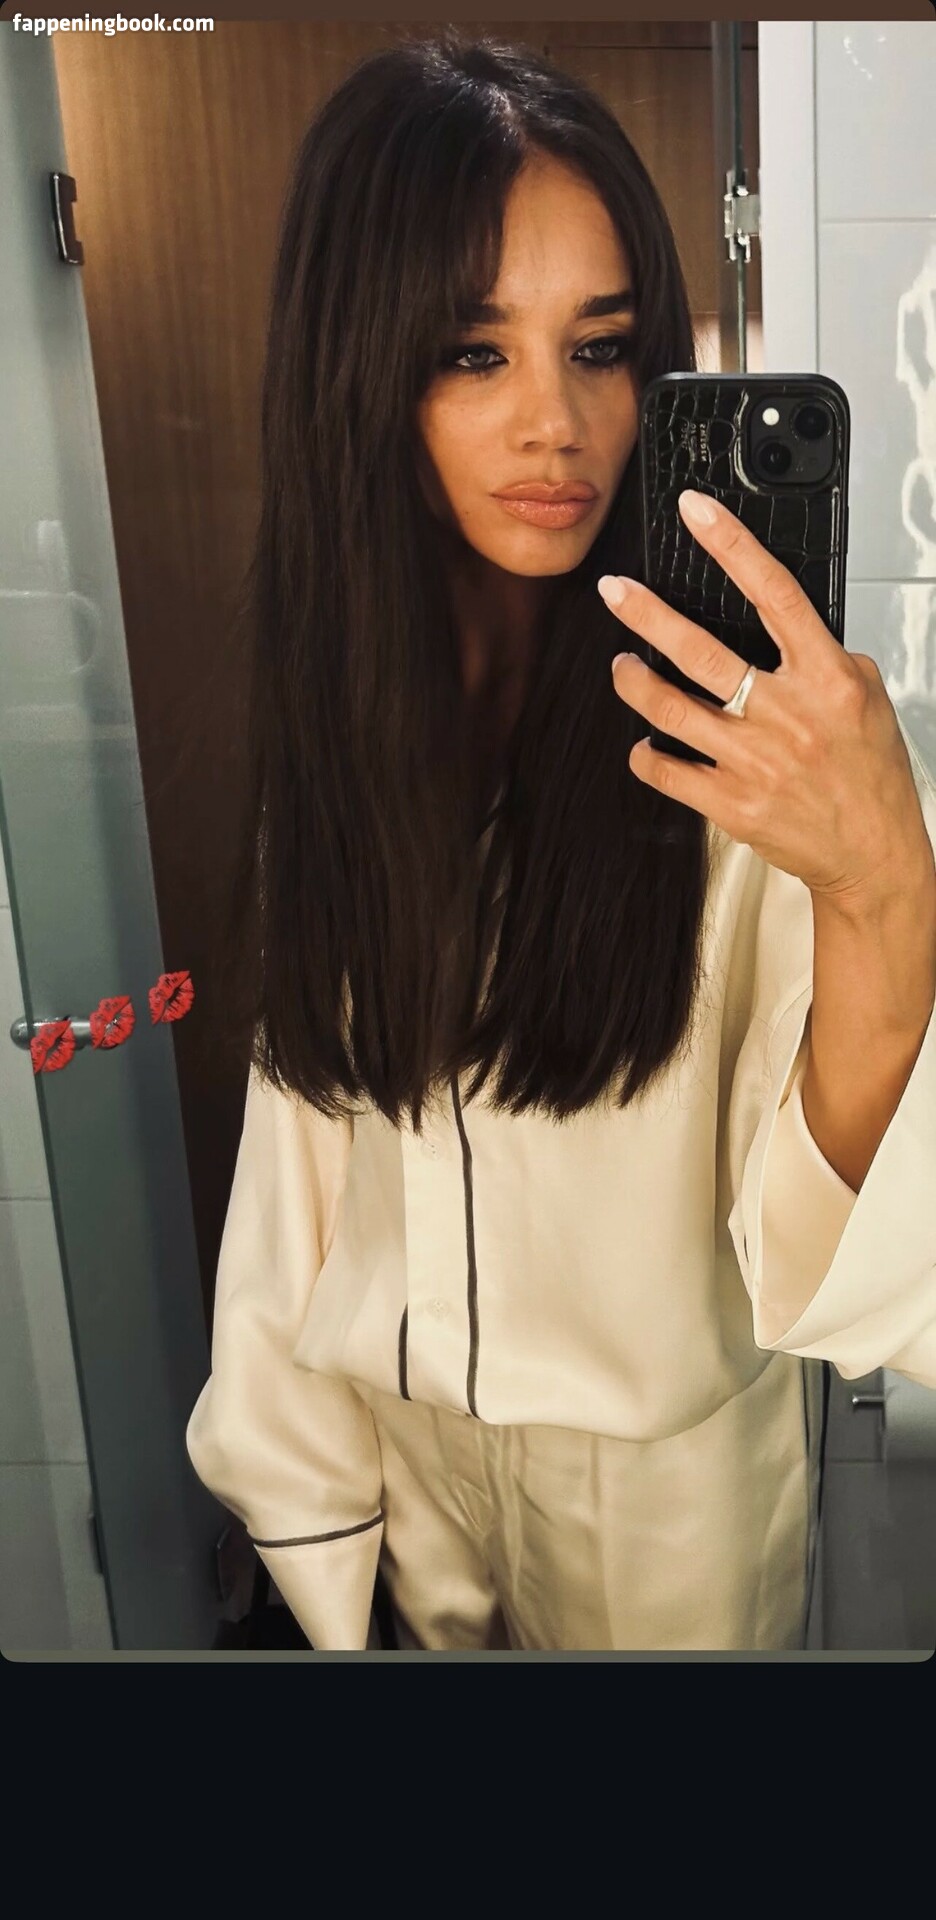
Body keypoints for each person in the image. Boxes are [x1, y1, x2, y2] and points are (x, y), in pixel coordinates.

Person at [185, 30, 936, 1652]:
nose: (559, 424)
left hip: (660, 1496)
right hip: (403, 1461)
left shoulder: (739, 740)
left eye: (601, 350)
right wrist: (305, 1510)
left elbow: (836, 1237)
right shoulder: (346, 734)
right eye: (475, 352)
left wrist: (882, 885)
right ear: (360, 374)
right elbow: (300, 1147)